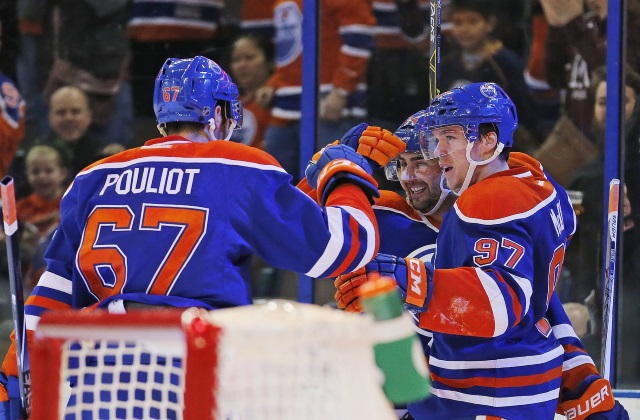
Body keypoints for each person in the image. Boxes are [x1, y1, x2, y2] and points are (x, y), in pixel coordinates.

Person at [0, 55, 387, 417]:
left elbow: (51, 294)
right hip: (199, 372)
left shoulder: (92, 177)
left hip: (102, 378)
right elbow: (345, 246)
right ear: (218, 114)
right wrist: (342, 170)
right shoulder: (238, 167)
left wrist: (17, 371)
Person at [328, 82, 612, 419]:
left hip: (478, 394)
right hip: (420, 396)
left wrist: (583, 383)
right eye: (400, 164)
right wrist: (336, 172)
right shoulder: (384, 215)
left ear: (488, 143)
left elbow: (512, 303)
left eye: (423, 158)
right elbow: (298, 230)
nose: (409, 176)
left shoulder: (490, 203)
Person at [255, 0, 376, 182]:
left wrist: (341, 89)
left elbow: (359, 36)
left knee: (328, 186)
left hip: (328, 107)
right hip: (285, 107)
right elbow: (290, 47)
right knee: (274, 187)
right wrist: (275, 81)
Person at [438, 0, 541, 153]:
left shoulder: (507, 65)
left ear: (490, 24)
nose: (465, 29)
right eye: (458, 22)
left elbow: (525, 115)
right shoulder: (447, 64)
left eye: (473, 21)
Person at [229, 33, 274, 150]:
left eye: (249, 58)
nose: (242, 65)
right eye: (236, 60)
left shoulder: (276, 101)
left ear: (270, 63)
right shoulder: (225, 105)